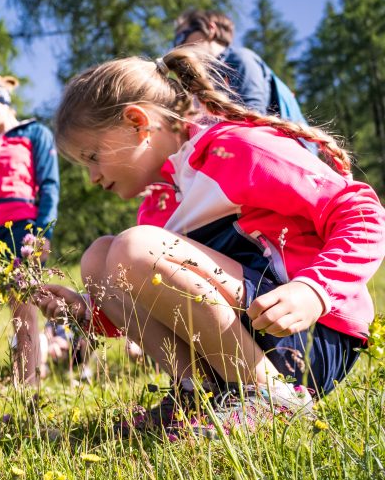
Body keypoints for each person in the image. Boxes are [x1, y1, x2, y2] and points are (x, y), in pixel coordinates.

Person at [36, 48, 385, 434]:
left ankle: (270, 397)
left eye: (93, 157)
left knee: (132, 248)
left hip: (307, 331)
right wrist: (89, 312)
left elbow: (360, 210)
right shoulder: (157, 205)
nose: (93, 178)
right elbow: (172, 301)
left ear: (137, 122)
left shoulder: (234, 149)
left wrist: (314, 290)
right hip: (249, 334)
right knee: (100, 256)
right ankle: (197, 397)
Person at [0, 73, 60, 386]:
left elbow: (49, 185)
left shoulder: (35, 133)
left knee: (23, 303)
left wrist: (42, 233)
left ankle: (27, 387)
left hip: (22, 227)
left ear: (0, 99)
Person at [172, 9, 292, 117]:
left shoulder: (240, 59)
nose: (178, 46)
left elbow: (252, 119)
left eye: (181, 36)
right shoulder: (200, 79)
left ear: (210, 29)